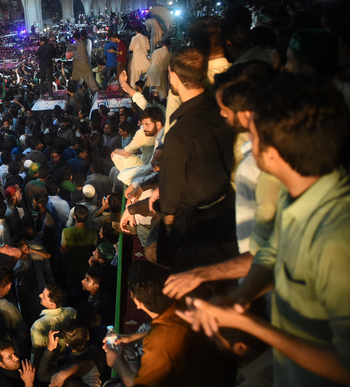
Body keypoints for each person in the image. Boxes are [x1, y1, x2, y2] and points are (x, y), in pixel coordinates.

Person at [180, 76, 350, 386]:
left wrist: (251, 325)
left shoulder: (336, 239)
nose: (248, 144)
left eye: (254, 136)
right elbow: (272, 253)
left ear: (273, 153)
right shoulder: (296, 189)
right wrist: (240, 297)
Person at [153, 46, 236, 266]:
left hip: (192, 225)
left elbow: (169, 208)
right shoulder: (220, 108)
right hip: (226, 212)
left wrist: (168, 226)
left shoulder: (179, 135)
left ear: (173, 75)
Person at [104, 261, 235, 386]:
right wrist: (131, 338)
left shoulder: (160, 342)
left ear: (137, 302)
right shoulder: (183, 301)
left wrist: (117, 362)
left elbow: (140, 386)